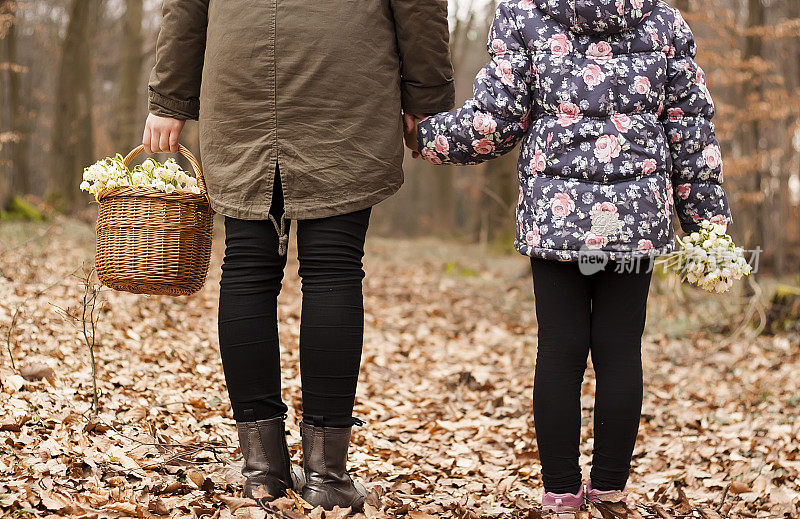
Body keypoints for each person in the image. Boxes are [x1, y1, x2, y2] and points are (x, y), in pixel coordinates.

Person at [406, 0, 731, 515]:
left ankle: (559, 491)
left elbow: (496, 120)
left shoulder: (523, 16)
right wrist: (707, 229)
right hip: (634, 220)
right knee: (620, 352)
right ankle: (609, 489)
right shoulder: (664, 21)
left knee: (559, 352)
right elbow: (691, 134)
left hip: (557, 220)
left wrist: (424, 135)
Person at [142, 0, 454, 510]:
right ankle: (327, 477)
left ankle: (261, 471)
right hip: (342, 75)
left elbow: (185, 5)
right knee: (332, 270)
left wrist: (169, 98)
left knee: (245, 266)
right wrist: (427, 97)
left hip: (239, 74)